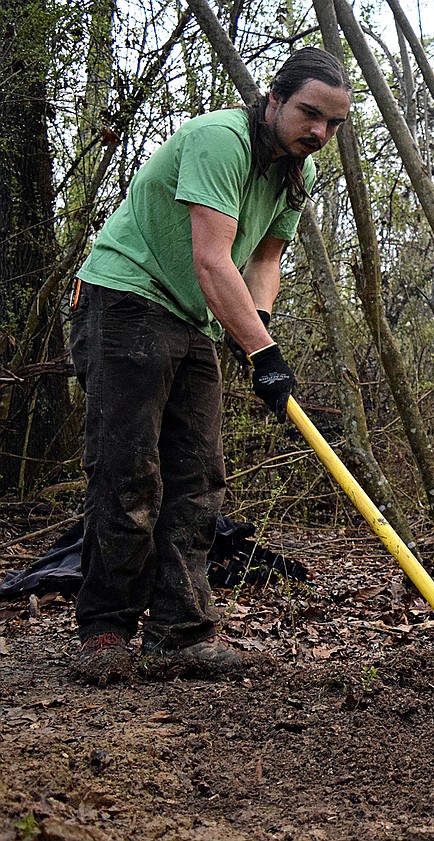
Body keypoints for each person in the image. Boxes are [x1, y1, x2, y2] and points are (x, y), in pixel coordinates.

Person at [68, 47, 351, 684]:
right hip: (125, 301)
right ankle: (106, 632)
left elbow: (263, 264)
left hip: (190, 317)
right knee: (129, 468)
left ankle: (180, 635)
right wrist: (262, 354)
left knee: (198, 477)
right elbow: (211, 259)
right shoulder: (220, 140)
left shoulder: (290, 175)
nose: (319, 133)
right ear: (275, 99)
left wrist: (259, 327)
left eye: (333, 125)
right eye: (310, 114)